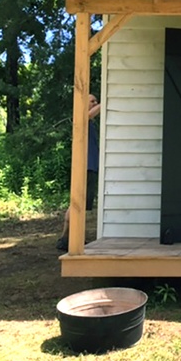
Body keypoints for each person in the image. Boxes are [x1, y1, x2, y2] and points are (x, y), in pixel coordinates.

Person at [56, 94, 101, 251]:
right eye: (92, 101)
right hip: (85, 167)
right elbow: (89, 114)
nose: (96, 103)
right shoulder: (81, 118)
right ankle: (66, 238)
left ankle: (69, 238)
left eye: (96, 101)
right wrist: (106, 103)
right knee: (77, 204)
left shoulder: (90, 124)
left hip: (91, 167)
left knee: (81, 205)